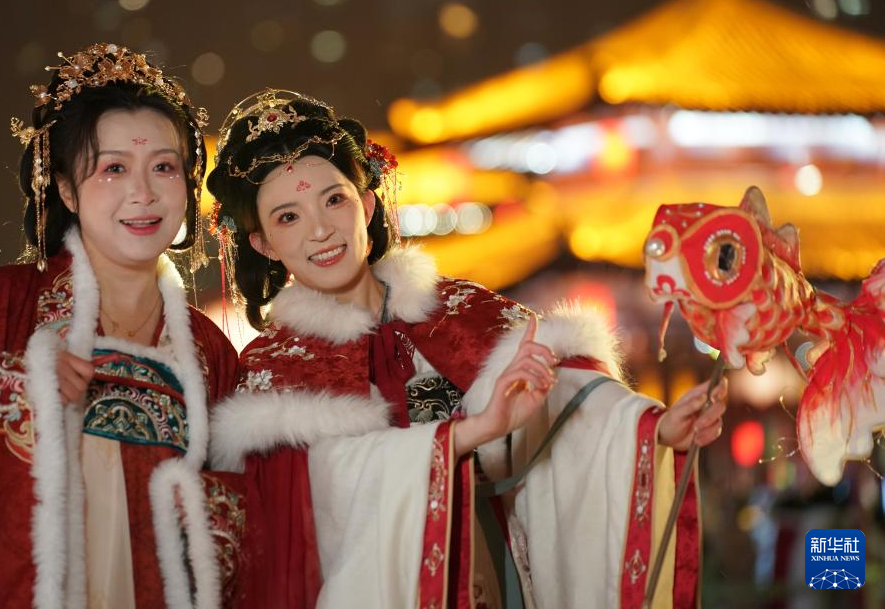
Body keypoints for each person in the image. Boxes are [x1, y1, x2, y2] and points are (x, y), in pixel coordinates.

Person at [204, 90, 728, 608]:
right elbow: (302, 516)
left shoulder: (457, 309)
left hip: (493, 572)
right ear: (263, 244)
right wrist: (467, 435)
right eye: (288, 217)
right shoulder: (271, 373)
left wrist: (652, 429)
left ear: (366, 204)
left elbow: (565, 392)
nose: (321, 229)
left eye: (334, 199)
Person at [0, 43, 244, 609]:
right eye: (113, 168)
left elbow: (259, 510)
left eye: (164, 167)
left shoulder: (210, 350)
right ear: (65, 188)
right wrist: (14, 391)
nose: (143, 193)